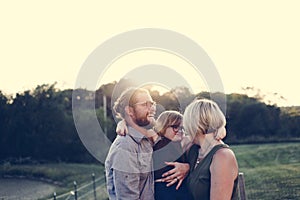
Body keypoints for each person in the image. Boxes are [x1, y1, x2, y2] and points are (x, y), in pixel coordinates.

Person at [105, 87, 156, 200]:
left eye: (152, 104)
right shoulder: (125, 147)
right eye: (145, 104)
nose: (152, 108)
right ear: (130, 110)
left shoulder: (146, 139)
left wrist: (186, 167)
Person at [183, 99, 239, 200]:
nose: (184, 129)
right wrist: (185, 167)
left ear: (194, 124)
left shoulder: (222, 156)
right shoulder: (193, 150)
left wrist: (221, 127)